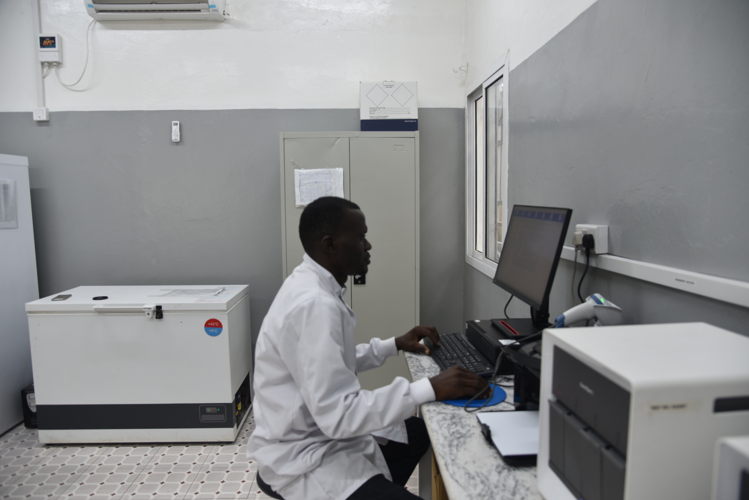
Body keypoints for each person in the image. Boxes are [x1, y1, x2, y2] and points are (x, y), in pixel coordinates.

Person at [248, 196, 487, 500]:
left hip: (318, 435)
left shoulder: (311, 283)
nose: (368, 245)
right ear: (330, 244)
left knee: (420, 431)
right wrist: (430, 387)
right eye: (360, 237)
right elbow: (340, 415)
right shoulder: (314, 305)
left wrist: (394, 344)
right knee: (416, 428)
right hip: (304, 460)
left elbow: (332, 362)